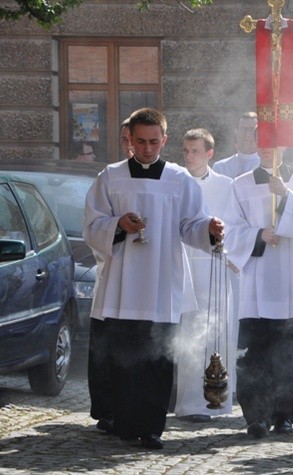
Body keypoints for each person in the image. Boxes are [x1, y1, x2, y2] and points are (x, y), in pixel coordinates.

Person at [83, 108, 224, 450]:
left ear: (165, 139)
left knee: (158, 360)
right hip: (123, 284)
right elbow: (91, 224)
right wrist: (118, 225)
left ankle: (151, 428)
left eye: (154, 142)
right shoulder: (110, 177)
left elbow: (190, 225)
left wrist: (209, 229)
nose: (147, 149)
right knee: (123, 359)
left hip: (163, 282)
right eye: (140, 142)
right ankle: (124, 423)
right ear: (129, 140)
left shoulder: (179, 179)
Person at [223, 145, 293, 438]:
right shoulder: (241, 184)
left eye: (273, 145)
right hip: (256, 283)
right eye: (262, 146)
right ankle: (256, 416)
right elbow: (229, 230)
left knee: (289, 353)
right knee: (254, 353)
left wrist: (286, 196)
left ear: (283, 145)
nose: (267, 152)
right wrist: (258, 235)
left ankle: (284, 415)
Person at [173, 128, 237, 423]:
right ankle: (189, 404)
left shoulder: (226, 185)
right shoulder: (175, 181)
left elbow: (236, 223)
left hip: (215, 267)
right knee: (189, 334)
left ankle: (220, 399)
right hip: (184, 265)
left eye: (195, 151)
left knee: (217, 331)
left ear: (210, 154)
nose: (188, 156)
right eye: (185, 150)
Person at [212, 112, 260, 179]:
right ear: (236, 131)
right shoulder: (221, 168)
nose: (247, 134)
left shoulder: (266, 167)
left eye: (251, 130)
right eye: (243, 129)